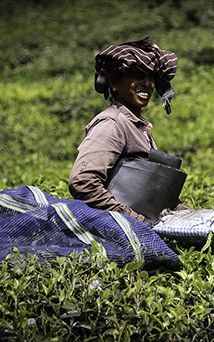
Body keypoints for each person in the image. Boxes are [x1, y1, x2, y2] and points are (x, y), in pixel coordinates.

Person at [68, 36, 188, 226]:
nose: (147, 84)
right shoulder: (111, 124)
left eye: (151, 77)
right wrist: (137, 221)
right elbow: (83, 182)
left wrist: (185, 213)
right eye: (138, 76)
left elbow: (149, 191)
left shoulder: (137, 126)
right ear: (114, 84)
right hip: (117, 231)